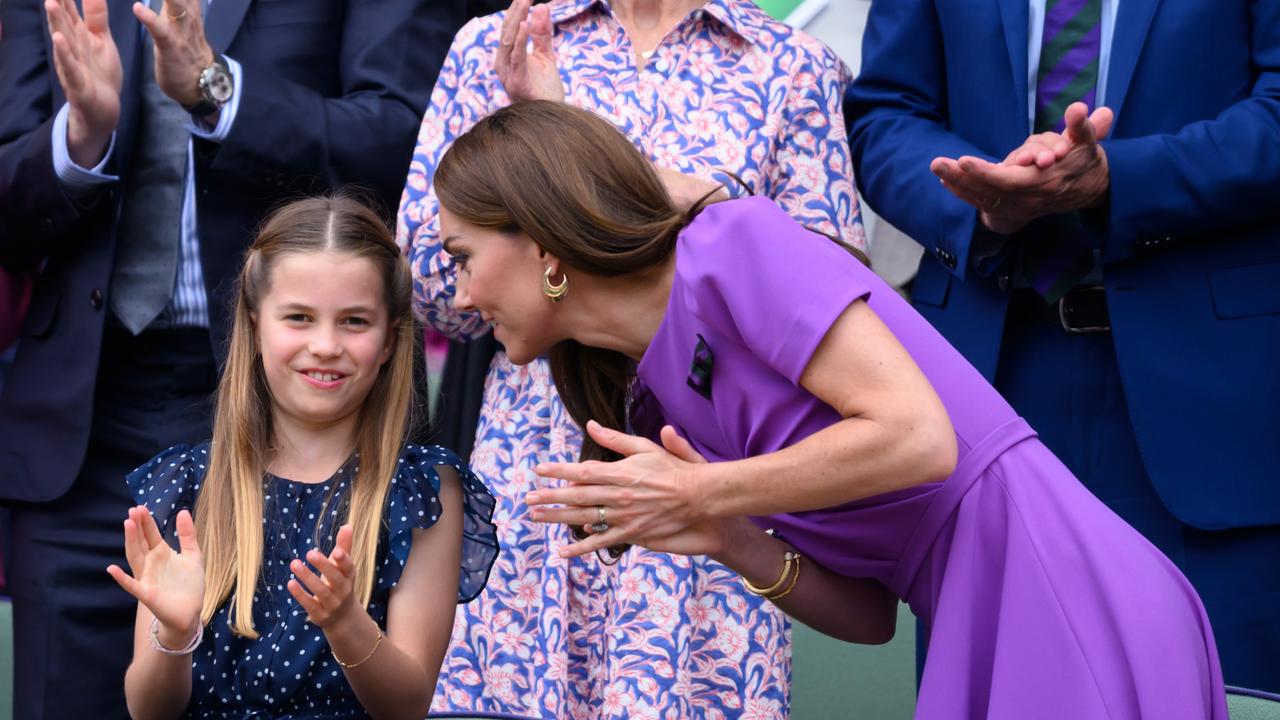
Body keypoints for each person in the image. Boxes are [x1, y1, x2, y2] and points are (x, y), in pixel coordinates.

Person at [432, 100, 1227, 718]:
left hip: (1064, 591)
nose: (461, 296)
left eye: (464, 257)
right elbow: (869, 614)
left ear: (541, 246)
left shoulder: (733, 245)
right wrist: (728, 537)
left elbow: (920, 440)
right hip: (965, 621)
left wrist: (705, 492)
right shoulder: (652, 401)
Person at [0, 0, 466, 716]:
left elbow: (404, 139)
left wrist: (219, 89)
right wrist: (79, 136)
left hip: (293, 417)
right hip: (81, 428)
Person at [399, 0, 864, 715]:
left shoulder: (790, 64)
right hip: (539, 469)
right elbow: (433, 289)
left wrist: (580, 155)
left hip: (707, 469)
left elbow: (823, 296)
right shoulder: (496, 44)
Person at [843, 0, 1280, 691]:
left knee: (1212, 692)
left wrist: (1118, 181)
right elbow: (885, 115)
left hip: (1211, 396)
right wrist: (979, 201)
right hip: (987, 389)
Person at [105, 196, 499, 719]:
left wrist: (345, 624)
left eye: (354, 321)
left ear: (388, 340)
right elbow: (147, 710)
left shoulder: (422, 490)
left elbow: (407, 706)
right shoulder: (187, 484)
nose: (325, 344)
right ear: (254, 326)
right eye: (299, 317)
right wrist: (175, 632)